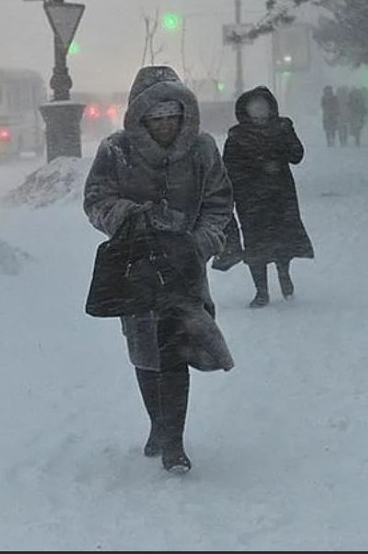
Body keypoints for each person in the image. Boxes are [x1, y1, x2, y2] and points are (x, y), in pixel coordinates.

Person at [84, 65, 234, 474]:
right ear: (141, 117)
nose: (166, 124)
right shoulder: (116, 151)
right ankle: (158, 424)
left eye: (173, 116)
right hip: (137, 268)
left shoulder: (203, 150)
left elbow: (219, 204)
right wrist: (129, 217)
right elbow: (96, 200)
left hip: (185, 271)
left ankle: (174, 442)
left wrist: (199, 243)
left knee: (176, 351)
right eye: (157, 117)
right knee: (146, 354)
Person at [222, 86, 314, 308]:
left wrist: (282, 143)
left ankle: (284, 273)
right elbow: (228, 168)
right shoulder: (236, 136)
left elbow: (297, 155)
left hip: (280, 194)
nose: (260, 112)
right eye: (255, 108)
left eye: (263, 107)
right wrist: (255, 171)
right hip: (250, 198)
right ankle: (261, 291)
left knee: (284, 237)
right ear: (245, 111)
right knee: (255, 243)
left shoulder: (283, 128)